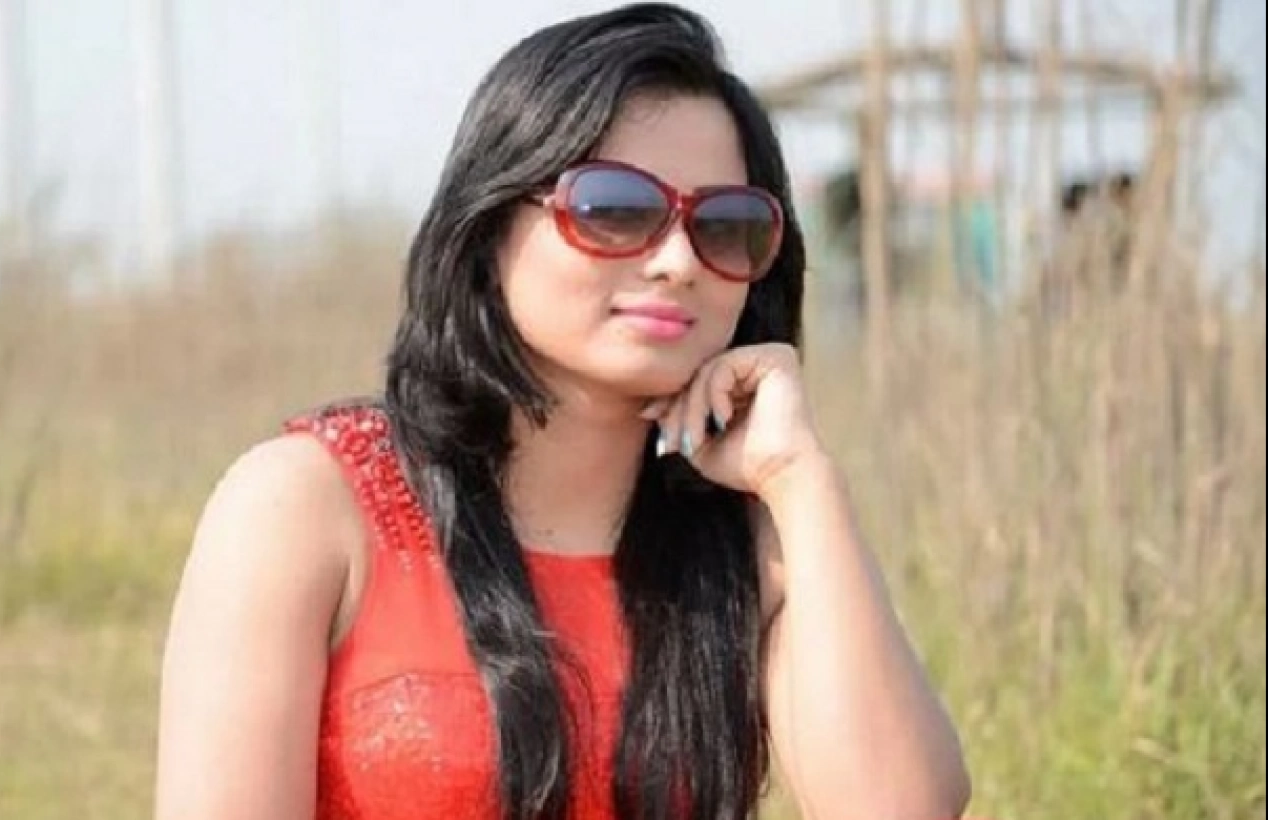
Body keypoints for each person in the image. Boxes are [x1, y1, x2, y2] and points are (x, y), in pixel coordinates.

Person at [154, 3, 973, 818]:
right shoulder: (308, 507)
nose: (678, 261)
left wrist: (799, 479)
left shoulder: (751, 537)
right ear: (489, 231)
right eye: (614, 209)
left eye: (725, 225)